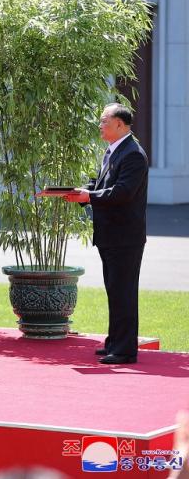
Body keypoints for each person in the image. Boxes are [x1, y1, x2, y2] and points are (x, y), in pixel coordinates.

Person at [65, 103, 148, 364]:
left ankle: (124, 350)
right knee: (115, 290)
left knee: (123, 292)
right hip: (111, 236)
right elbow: (101, 184)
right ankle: (115, 342)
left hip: (125, 238)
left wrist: (89, 196)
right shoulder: (113, 150)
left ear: (120, 125)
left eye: (104, 121)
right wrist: (81, 191)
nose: (99, 125)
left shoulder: (133, 154)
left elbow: (122, 192)